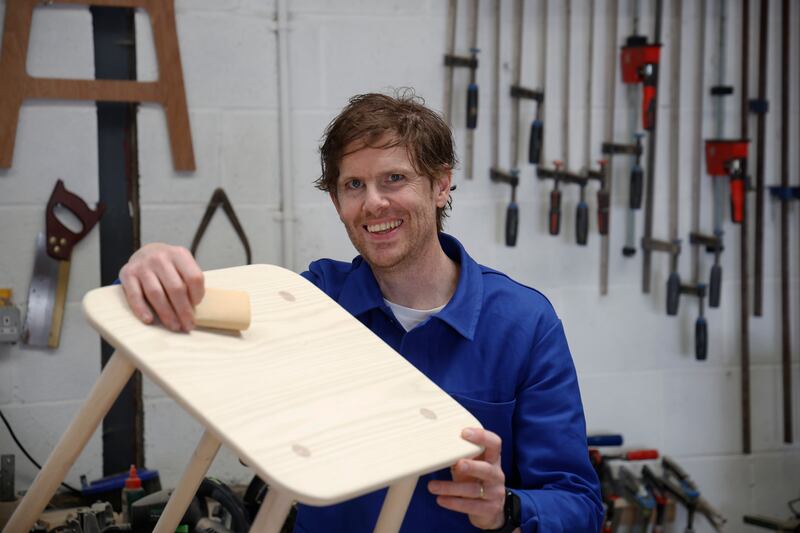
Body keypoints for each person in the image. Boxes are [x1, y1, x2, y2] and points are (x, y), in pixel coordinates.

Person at [119, 90, 603, 532]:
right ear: (337, 201)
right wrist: (149, 264)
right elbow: (205, 320)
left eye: (395, 178)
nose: (374, 203)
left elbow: (578, 503)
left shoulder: (524, 324)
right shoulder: (311, 300)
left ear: (440, 185)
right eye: (353, 185)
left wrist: (508, 509)